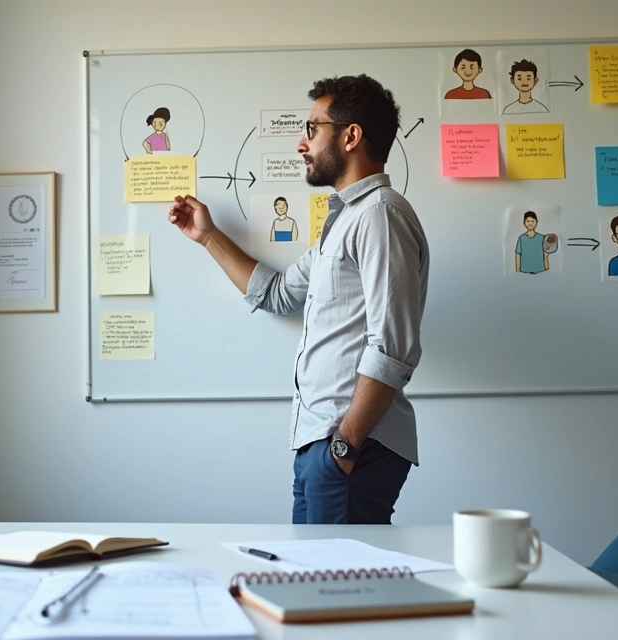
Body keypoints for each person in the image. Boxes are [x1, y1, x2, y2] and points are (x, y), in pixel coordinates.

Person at [167, 74, 430, 525]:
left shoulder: (380, 215)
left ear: (350, 136)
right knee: (317, 585)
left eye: (312, 129)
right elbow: (275, 294)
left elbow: (391, 347)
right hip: (322, 447)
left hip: (349, 448)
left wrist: (343, 448)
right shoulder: (345, 222)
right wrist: (208, 237)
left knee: (341, 590)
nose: (301, 144)